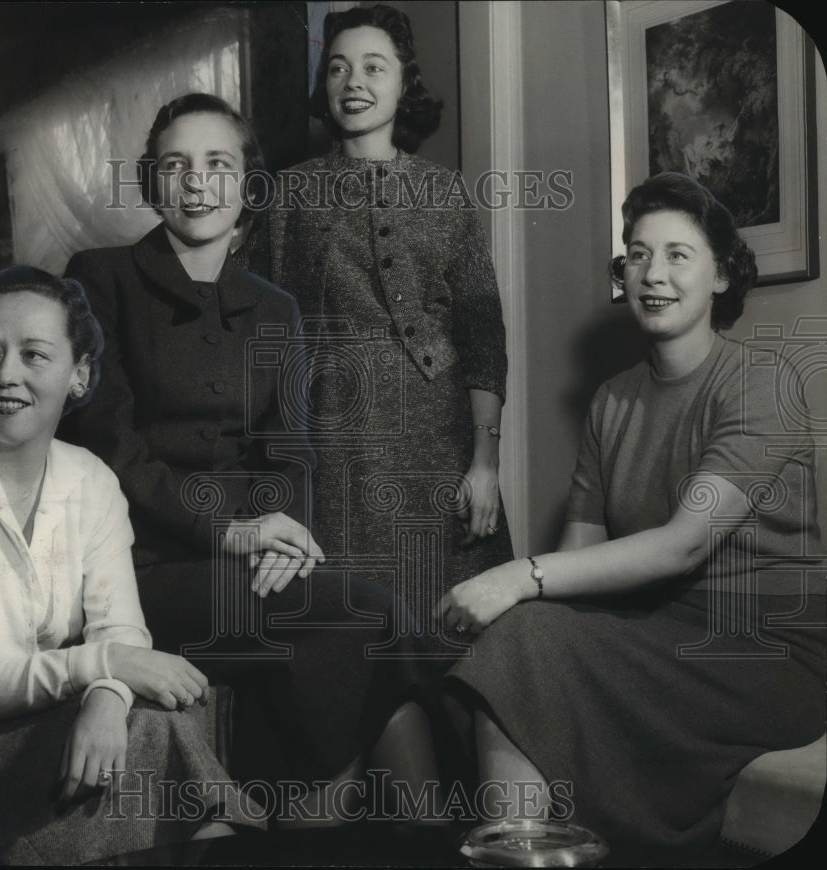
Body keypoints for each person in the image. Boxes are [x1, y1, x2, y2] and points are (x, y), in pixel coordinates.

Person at [59, 92, 440, 821]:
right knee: (371, 618)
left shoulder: (274, 307)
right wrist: (232, 533)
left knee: (341, 639)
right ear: (151, 183)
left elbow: (291, 450)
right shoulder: (98, 278)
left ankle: (327, 835)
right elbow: (108, 445)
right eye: (175, 166)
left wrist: (280, 540)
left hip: (249, 560)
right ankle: (415, 839)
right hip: (141, 573)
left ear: (248, 185)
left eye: (217, 164)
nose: (197, 182)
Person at [438, 172, 826, 849]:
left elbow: (681, 545)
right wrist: (522, 596)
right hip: (660, 635)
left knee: (523, 634)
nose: (653, 273)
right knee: (515, 635)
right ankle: (525, 848)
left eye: (679, 255)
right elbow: (579, 556)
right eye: (638, 254)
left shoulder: (764, 382)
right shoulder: (613, 399)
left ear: (722, 278)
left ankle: (518, 850)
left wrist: (515, 579)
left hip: (769, 658)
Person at [0, 267, 263, 865]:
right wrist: (107, 667)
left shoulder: (91, 479)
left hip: (25, 723)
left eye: (35, 354)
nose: (6, 374)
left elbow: (120, 628)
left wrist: (107, 695)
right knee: (155, 743)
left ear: (79, 374)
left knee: (159, 721)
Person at [237, 4, 513, 654]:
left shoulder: (445, 194)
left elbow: (483, 342)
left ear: (402, 84)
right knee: (360, 640)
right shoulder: (289, 196)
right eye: (337, 68)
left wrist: (486, 462)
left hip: (441, 444)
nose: (352, 81)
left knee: (457, 638)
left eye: (372, 66)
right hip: (340, 445)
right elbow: (256, 334)